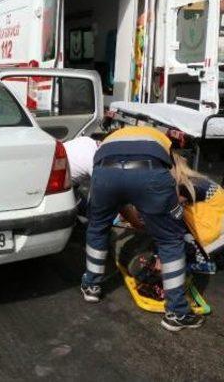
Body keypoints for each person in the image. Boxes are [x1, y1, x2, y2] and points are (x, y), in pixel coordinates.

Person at [80, 125, 204, 331]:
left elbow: (121, 189)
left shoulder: (112, 138)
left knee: (97, 228)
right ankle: (177, 313)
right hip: (149, 173)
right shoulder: (160, 139)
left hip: (104, 173)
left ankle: (91, 286)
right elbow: (172, 175)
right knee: (170, 240)